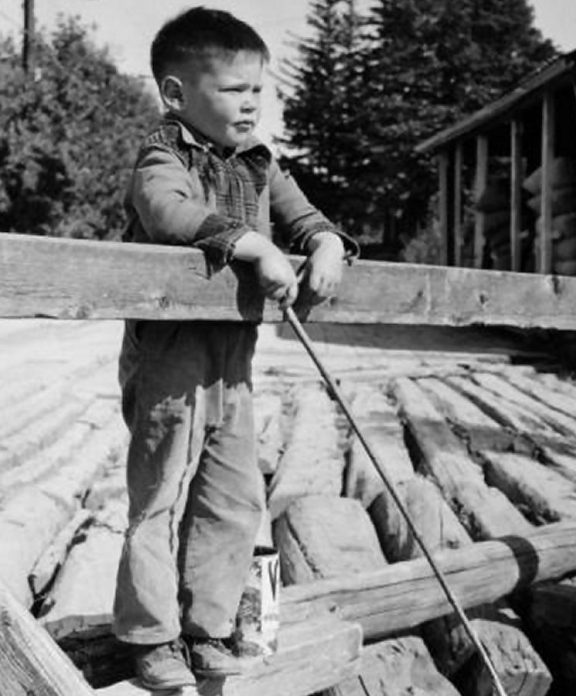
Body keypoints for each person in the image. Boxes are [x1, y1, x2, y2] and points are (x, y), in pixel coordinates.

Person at [112, 6, 357, 690]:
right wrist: (251, 244)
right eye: (231, 90)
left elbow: (305, 216)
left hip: (234, 360)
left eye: (258, 89)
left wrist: (326, 243)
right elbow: (167, 211)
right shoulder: (164, 153)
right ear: (177, 95)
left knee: (232, 494)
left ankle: (209, 625)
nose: (251, 104)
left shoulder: (258, 163)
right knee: (160, 491)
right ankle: (151, 636)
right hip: (170, 353)